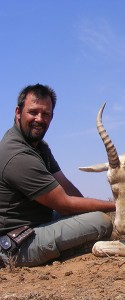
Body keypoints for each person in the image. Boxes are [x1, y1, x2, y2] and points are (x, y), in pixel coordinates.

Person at [0, 84, 115, 267]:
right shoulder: (17, 154)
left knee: (91, 214)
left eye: (45, 114)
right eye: (33, 112)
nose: (39, 119)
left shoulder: (39, 147)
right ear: (18, 112)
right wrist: (116, 206)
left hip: (36, 223)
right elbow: (65, 204)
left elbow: (66, 186)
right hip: (14, 244)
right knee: (101, 222)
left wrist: (90, 207)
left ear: (52, 117)